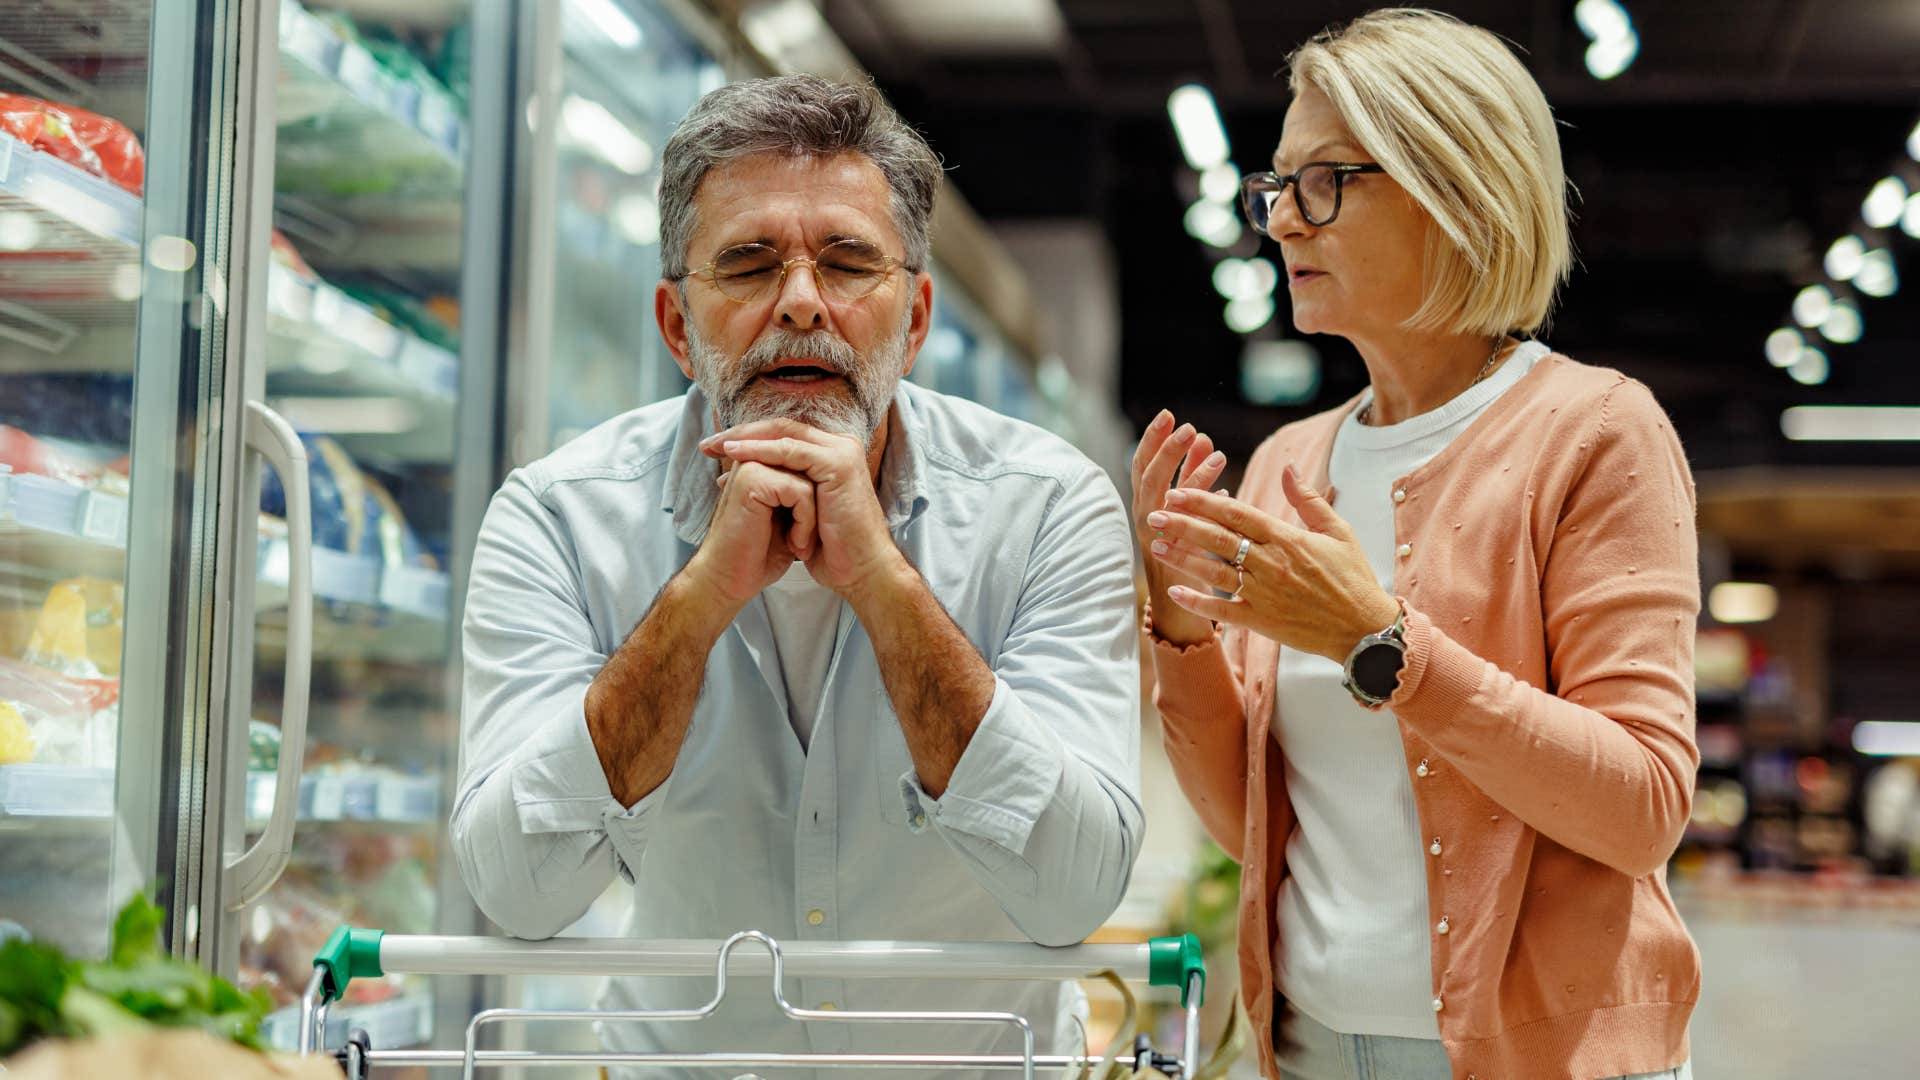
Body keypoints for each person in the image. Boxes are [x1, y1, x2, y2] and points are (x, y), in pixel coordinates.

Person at [452, 74, 1143, 1076]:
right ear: (677, 325)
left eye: (850, 261)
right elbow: (517, 890)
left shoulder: (1046, 507)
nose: (803, 302)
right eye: (747, 263)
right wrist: (697, 602)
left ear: (913, 321)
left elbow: (1076, 889)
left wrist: (882, 582)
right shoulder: (559, 517)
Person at [1135, 10, 1700, 1080]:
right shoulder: (1288, 464)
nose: (1282, 224)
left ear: (1457, 187)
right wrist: (1177, 626)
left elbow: (1642, 811)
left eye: (1324, 184)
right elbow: (1246, 829)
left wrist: (1378, 645)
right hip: (1305, 1047)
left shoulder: (1596, 433)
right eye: (1274, 188)